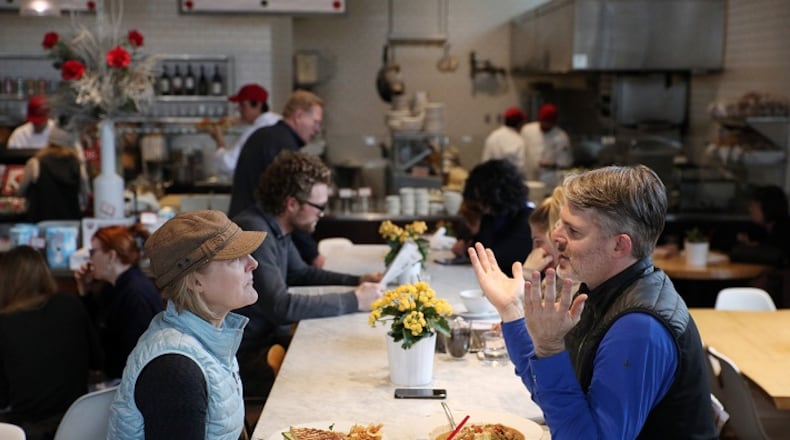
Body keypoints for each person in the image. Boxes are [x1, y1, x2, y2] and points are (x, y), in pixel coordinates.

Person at [468, 165, 717, 439]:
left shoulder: (639, 327)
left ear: (620, 246)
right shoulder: (598, 291)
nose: (555, 236)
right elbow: (558, 401)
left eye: (574, 231)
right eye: (561, 222)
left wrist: (550, 349)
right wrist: (513, 312)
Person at [233, 150, 383, 400]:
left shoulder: (276, 227)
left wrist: (357, 281)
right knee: (339, 380)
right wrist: (354, 300)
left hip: (266, 343)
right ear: (292, 204)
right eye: (318, 207)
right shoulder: (256, 232)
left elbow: (301, 273)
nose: (321, 214)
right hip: (247, 358)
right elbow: (281, 307)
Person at [107, 210, 266, 439]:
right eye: (234, 259)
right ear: (195, 281)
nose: (253, 263)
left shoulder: (212, 337)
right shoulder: (175, 370)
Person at [0, 246, 102, 440]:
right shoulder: (71, 305)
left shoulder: (4, 324)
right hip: (79, 422)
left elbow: (3, 396)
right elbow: (97, 361)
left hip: (29, 428)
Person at [228, 89, 325, 268]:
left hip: (240, 231)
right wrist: (312, 254)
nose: (316, 129)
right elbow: (293, 207)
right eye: (315, 122)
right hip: (258, 240)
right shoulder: (285, 147)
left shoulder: (264, 135)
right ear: (299, 115)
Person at [74, 223, 164, 381]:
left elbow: (133, 357)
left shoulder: (135, 294)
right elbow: (94, 330)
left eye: (93, 252)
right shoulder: (115, 287)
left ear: (111, 256)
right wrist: (84, 290)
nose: (89, 258)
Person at [450, 159, 533, 273]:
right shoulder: (492, 215)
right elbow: (478, 245)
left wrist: (466, 250)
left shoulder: (527, 219)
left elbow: (496, 256)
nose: (481, 204)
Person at [16, 125, 89, 222]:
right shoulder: (77, 165)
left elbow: (20, 192)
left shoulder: (35, 163)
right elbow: (85, 197)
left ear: (49, 141)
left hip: (41, 222)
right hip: (70, 223)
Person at [207, 83, 280, 179]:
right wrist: (239, 120)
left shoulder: (254, 131)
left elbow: (229, 165)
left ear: (257, 104)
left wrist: (219, 139)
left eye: (242, 105)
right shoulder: (277, 120)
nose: (239, 110)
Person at [731, 184, 790, 267]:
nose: (750, 209)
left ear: (768, 207)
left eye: (754, 205)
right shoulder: (761, 228)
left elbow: (777, 255)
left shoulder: (785, 230)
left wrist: (754, 249)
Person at [521, 103, 573, 181]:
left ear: (554, 122)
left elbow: (565, 162)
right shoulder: (527, 130)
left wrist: (550, 164)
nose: (545, 123)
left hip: (549, 179)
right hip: (529, 177)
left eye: (548, 121)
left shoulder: (561, 137)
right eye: (543, 120)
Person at [481, 106, 527, 174]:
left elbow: (485, 161)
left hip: (491, 179)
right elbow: (521, 167)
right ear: (519, 124)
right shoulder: (518, 141)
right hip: (509, 181)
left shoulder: (492, 136)